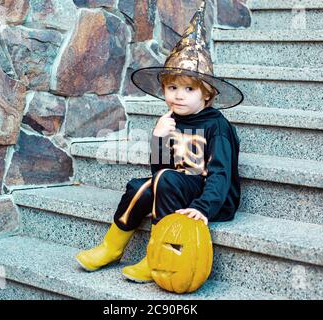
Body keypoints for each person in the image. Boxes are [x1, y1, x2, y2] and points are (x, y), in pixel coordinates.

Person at [75, 0, 244, 283]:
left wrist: (204, 207)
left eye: (189, 89)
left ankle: (158, 254)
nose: (178, 95)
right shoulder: (170, 121)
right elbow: (160, 171)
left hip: (212, 198)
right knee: (139, 186)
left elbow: (221, 174)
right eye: (172, 87)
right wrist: (158, 139)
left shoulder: (217, 126)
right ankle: (112, 246)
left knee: (165, 179)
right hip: (175, 186)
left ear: (206, 95)